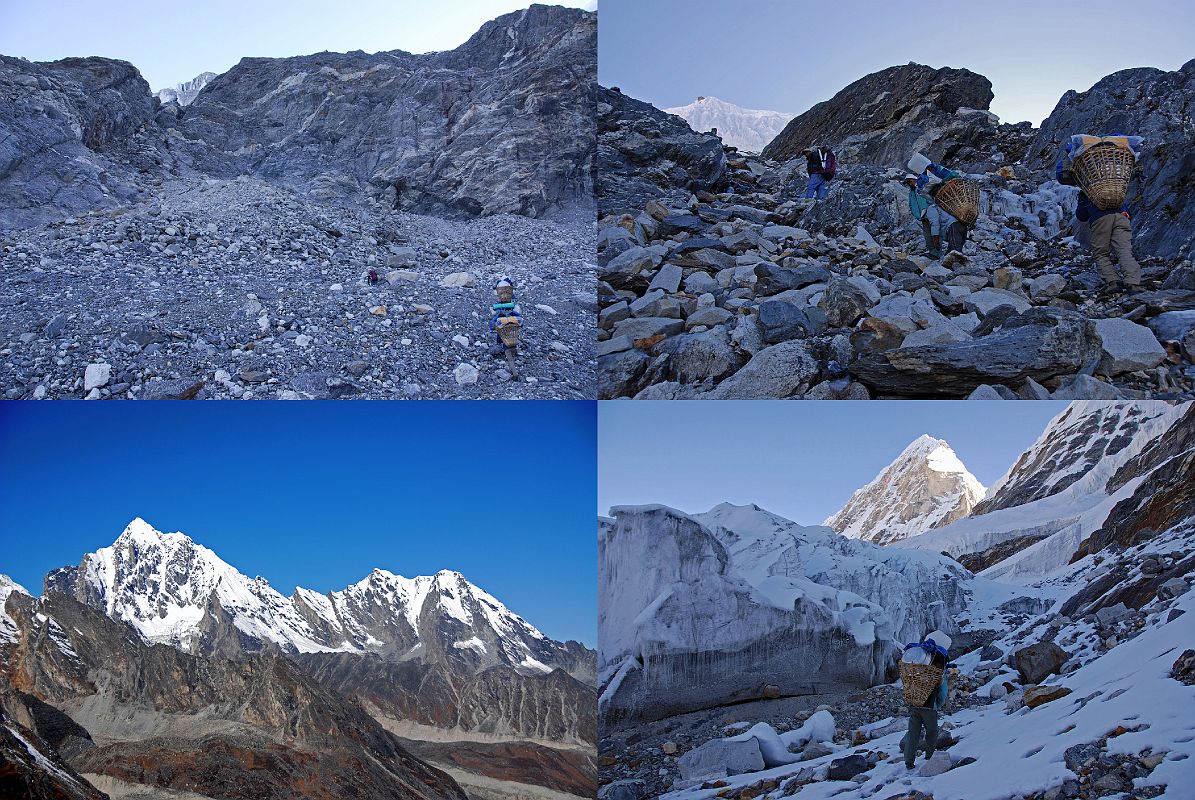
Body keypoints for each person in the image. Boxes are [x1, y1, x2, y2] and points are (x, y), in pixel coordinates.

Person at [1056, 145, 1141, 291]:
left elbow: (1081, 215)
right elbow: (1126, 207)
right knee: (1124, 250)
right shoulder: (1113, 184)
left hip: (1100, 219)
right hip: (1122, 217)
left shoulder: (1088, 190)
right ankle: (1133, 283)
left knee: (1101, 252)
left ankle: (1113, 282)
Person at [902, 631, 951, 771]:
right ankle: (930, 755)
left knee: (913, 733)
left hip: (914, 703)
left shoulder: (916, 668)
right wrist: (939, 705)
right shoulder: (938, 673)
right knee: (932, 731)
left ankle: (908, 761)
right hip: (929, 707)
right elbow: (943, 692)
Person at [908, 153, 967, 262]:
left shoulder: (931, 208)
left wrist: (935, 237)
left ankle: (948, 260)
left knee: (953, 250)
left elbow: (935, 223)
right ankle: (953, 261)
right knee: (955, 249)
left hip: (953, 226)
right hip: (960, 224)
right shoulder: (946, 206)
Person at [902, 174, 936, 258]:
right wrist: (917, 215)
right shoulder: (911, 193)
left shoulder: (922, 188)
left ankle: (938, 252)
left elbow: (931, 199)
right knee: (927, 235)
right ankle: (932, 252)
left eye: (910, 182)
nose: (909, 184)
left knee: (935, 233)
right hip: (922, 217)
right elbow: (911, 205)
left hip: (931, 214)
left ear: (914, 180)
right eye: (907, 183)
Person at [489, 276, 523, 357]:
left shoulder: (513, 306)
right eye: (502, 293)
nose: (505, 296)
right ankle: (501, 345)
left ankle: (508, 346)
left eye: (507, 293)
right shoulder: (498, 307)